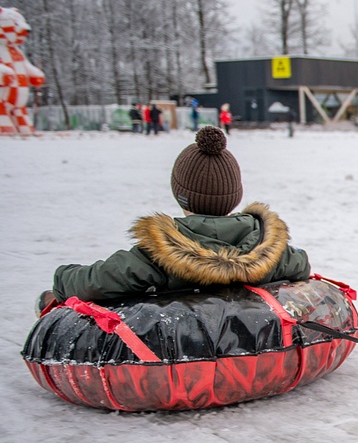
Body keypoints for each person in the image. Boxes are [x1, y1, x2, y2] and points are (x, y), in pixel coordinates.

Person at [42, 126, 309, 308]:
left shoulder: (157, 255)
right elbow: (302, 265)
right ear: (235, 196)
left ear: (179, 193)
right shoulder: (271, 249)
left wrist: (62, 279)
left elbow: (96, 282)